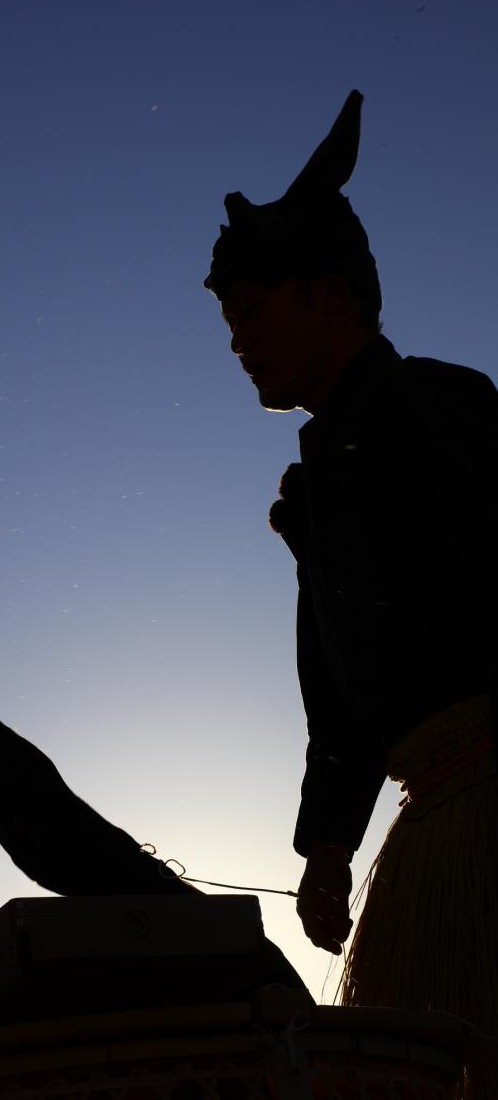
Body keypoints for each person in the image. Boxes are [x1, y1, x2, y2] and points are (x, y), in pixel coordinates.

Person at [204, 90, 498, 1096]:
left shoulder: (448, 408)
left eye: (250, 312)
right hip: (433, 818)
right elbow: (344, 693)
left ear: (324, 294)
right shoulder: (317, 485)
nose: (238, 341)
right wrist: (329, 844)